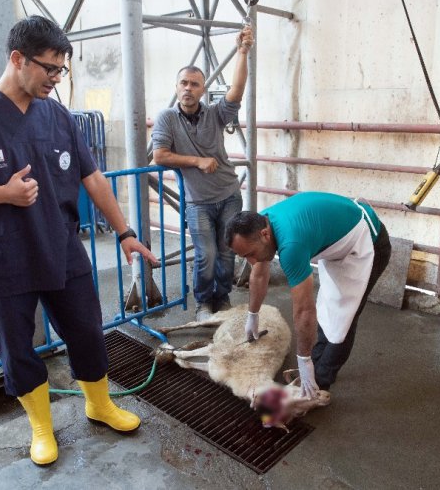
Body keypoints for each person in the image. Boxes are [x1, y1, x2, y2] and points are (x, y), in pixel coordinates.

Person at [0, 16, 158, 466]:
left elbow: (93, 178)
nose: (55, 79)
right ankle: (42, 427)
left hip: (61, 249)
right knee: (16, 346)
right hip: (0, 257)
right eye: (49, 68)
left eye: (61, 70)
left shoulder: (57, 115)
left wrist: (125, 232)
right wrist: (2, 194)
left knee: (87, 330)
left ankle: (99, 404)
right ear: (17, 59)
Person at [224, 192, 392, 398]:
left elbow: (304, 312)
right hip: (338, 241)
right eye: (244, 256)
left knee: (345, 317)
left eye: (250, 254)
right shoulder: (260, 224)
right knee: (329, 306)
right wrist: (253, 315)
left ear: (265, 234)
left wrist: (302, 360)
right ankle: (317, 363)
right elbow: (258, 275)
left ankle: (320, 382)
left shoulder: (291, 247)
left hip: (367, 242)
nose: (251, 261)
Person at [151, 25, 254, 322]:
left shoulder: (216, 114)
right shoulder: (167, 118)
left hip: (229, 195)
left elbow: (236, 91)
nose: (188, 88)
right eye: (183, 83)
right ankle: (203, 302)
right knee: (206, 255)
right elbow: (160, 155)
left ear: (202, 90)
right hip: (198, 201)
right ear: (176, 87)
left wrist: (243, 51)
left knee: (226, 253)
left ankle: (221, 299)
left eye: (194, 84)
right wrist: (197, 161)